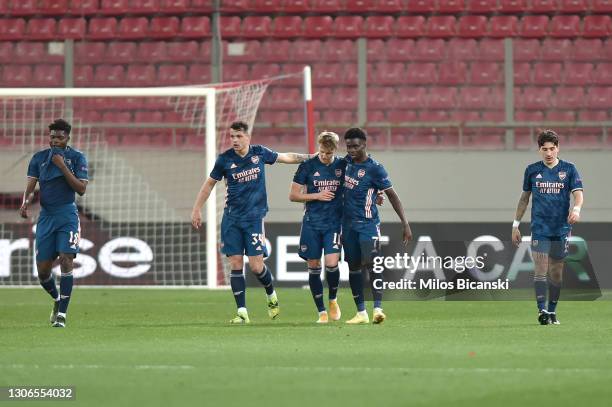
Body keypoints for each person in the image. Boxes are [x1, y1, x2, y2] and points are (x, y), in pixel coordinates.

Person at [191, 121, 311, 324]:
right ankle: (242, 312)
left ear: (248, 137)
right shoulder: (224, 160)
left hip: (254, 218)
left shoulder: (260, 153)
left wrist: (310, 158)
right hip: (232, 219)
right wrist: (196, 208)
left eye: (238, 136)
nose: (235, 140)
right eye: (232, 137)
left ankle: (271, 294)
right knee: (235, 264)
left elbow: (286, 157)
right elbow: (209, 184)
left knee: (256, 267)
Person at [19, 119, 89, 328]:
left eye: (60, 137)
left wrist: (62, 166)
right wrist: (26, 202)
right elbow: (31, 187)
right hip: (46, 217)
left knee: (67, 259)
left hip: (67, 215)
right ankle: (57, 301)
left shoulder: (77, 158)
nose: (55, 140)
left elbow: (81, 189)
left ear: (68, 138)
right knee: (43, 272)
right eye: (52, 137)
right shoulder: (38, 158)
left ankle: (62, 316)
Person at [512, 129, 583, 325]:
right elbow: (524, 198)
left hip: (561, 229)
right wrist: (515, 225)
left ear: (558, 148)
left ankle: (552, 311)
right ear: (539, 150)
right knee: (541, 268)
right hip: (540, 228)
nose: (549, 153)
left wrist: (576, 209)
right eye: (545, 149)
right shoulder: (532, 170)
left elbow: (578, 194)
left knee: (557, 272)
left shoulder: (569, 169)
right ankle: (542, 310)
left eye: (552, 149)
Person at [341, 128, 412, 324]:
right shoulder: (344, 163)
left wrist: (405, 223)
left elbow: (392, 196)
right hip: (347, 227)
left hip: (368, 225)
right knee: (353, 267)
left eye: (355, 146)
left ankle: (378, 309)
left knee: (373, 263)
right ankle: (361, 313)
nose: (351, 150)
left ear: (364, 145)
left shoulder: (375, 168)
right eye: (348, 146)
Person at [289, 131, 345, 324]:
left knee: (331, 264)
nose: (324, 156)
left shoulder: (343, 165)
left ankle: (333, 299)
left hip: (334, 223)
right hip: (312, 223)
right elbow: (293, 195)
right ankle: (321, 311)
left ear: (335, 150)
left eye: (328, 153)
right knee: (313, 265)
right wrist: (316, 195)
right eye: (321, 152)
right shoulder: (307, 166)